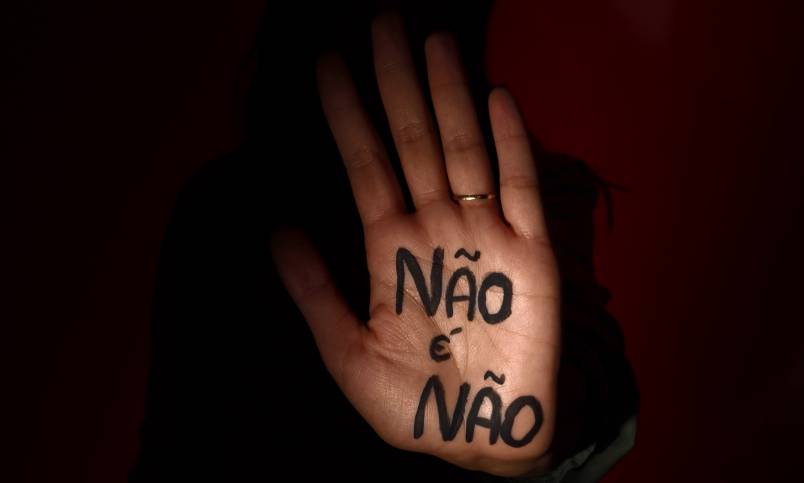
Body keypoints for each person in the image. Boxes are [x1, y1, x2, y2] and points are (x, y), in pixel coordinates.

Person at [130, 2, 638, 481]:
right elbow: (173, 448)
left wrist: (528, 436)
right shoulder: (226, 207)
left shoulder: (526, 208)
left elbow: (592, 370)